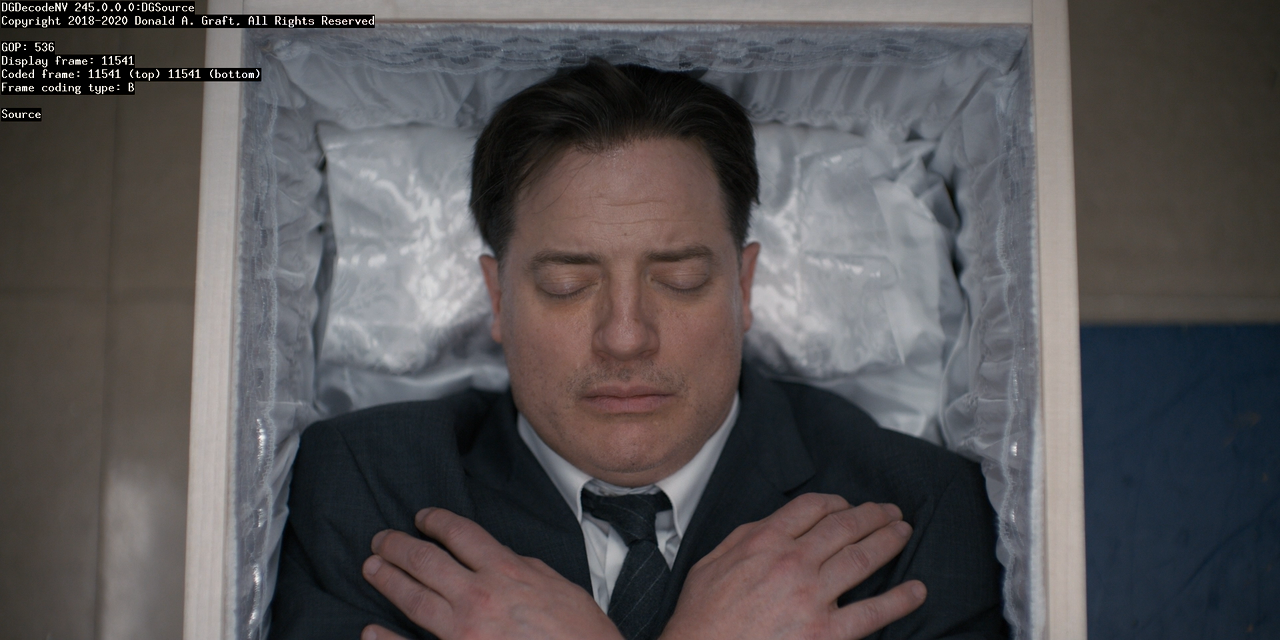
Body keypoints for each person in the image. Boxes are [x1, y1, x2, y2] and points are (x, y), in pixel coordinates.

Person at [269, 59, 1005, 640]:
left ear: (743, 287)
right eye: (566, 284)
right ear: (497, 299)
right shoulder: (365, 487)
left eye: (679, 280)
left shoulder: (917, 511)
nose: (625, 336)